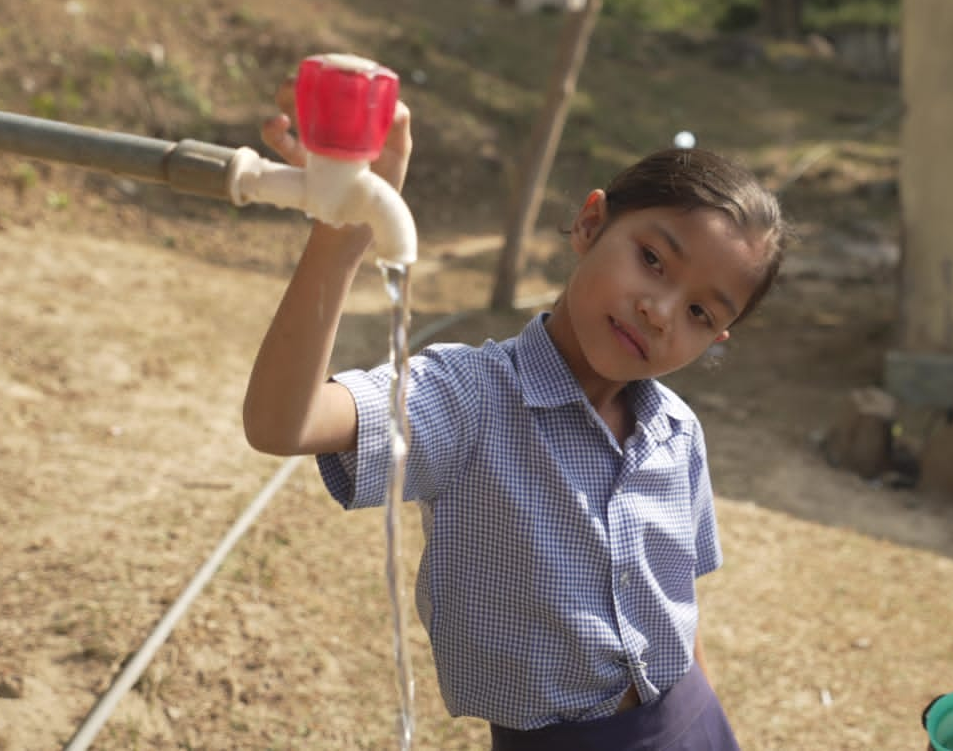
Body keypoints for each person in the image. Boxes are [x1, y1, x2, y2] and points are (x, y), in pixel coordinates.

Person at [242, 77, 786, 750]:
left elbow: (674, 605)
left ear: (715, 339)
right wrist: (344, 234)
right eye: (651, 259)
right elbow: (280, 422)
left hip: (690, 721)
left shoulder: (677, 435)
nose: (660, 310)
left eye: (701, 312)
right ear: (590, 223)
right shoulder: (467, 398)